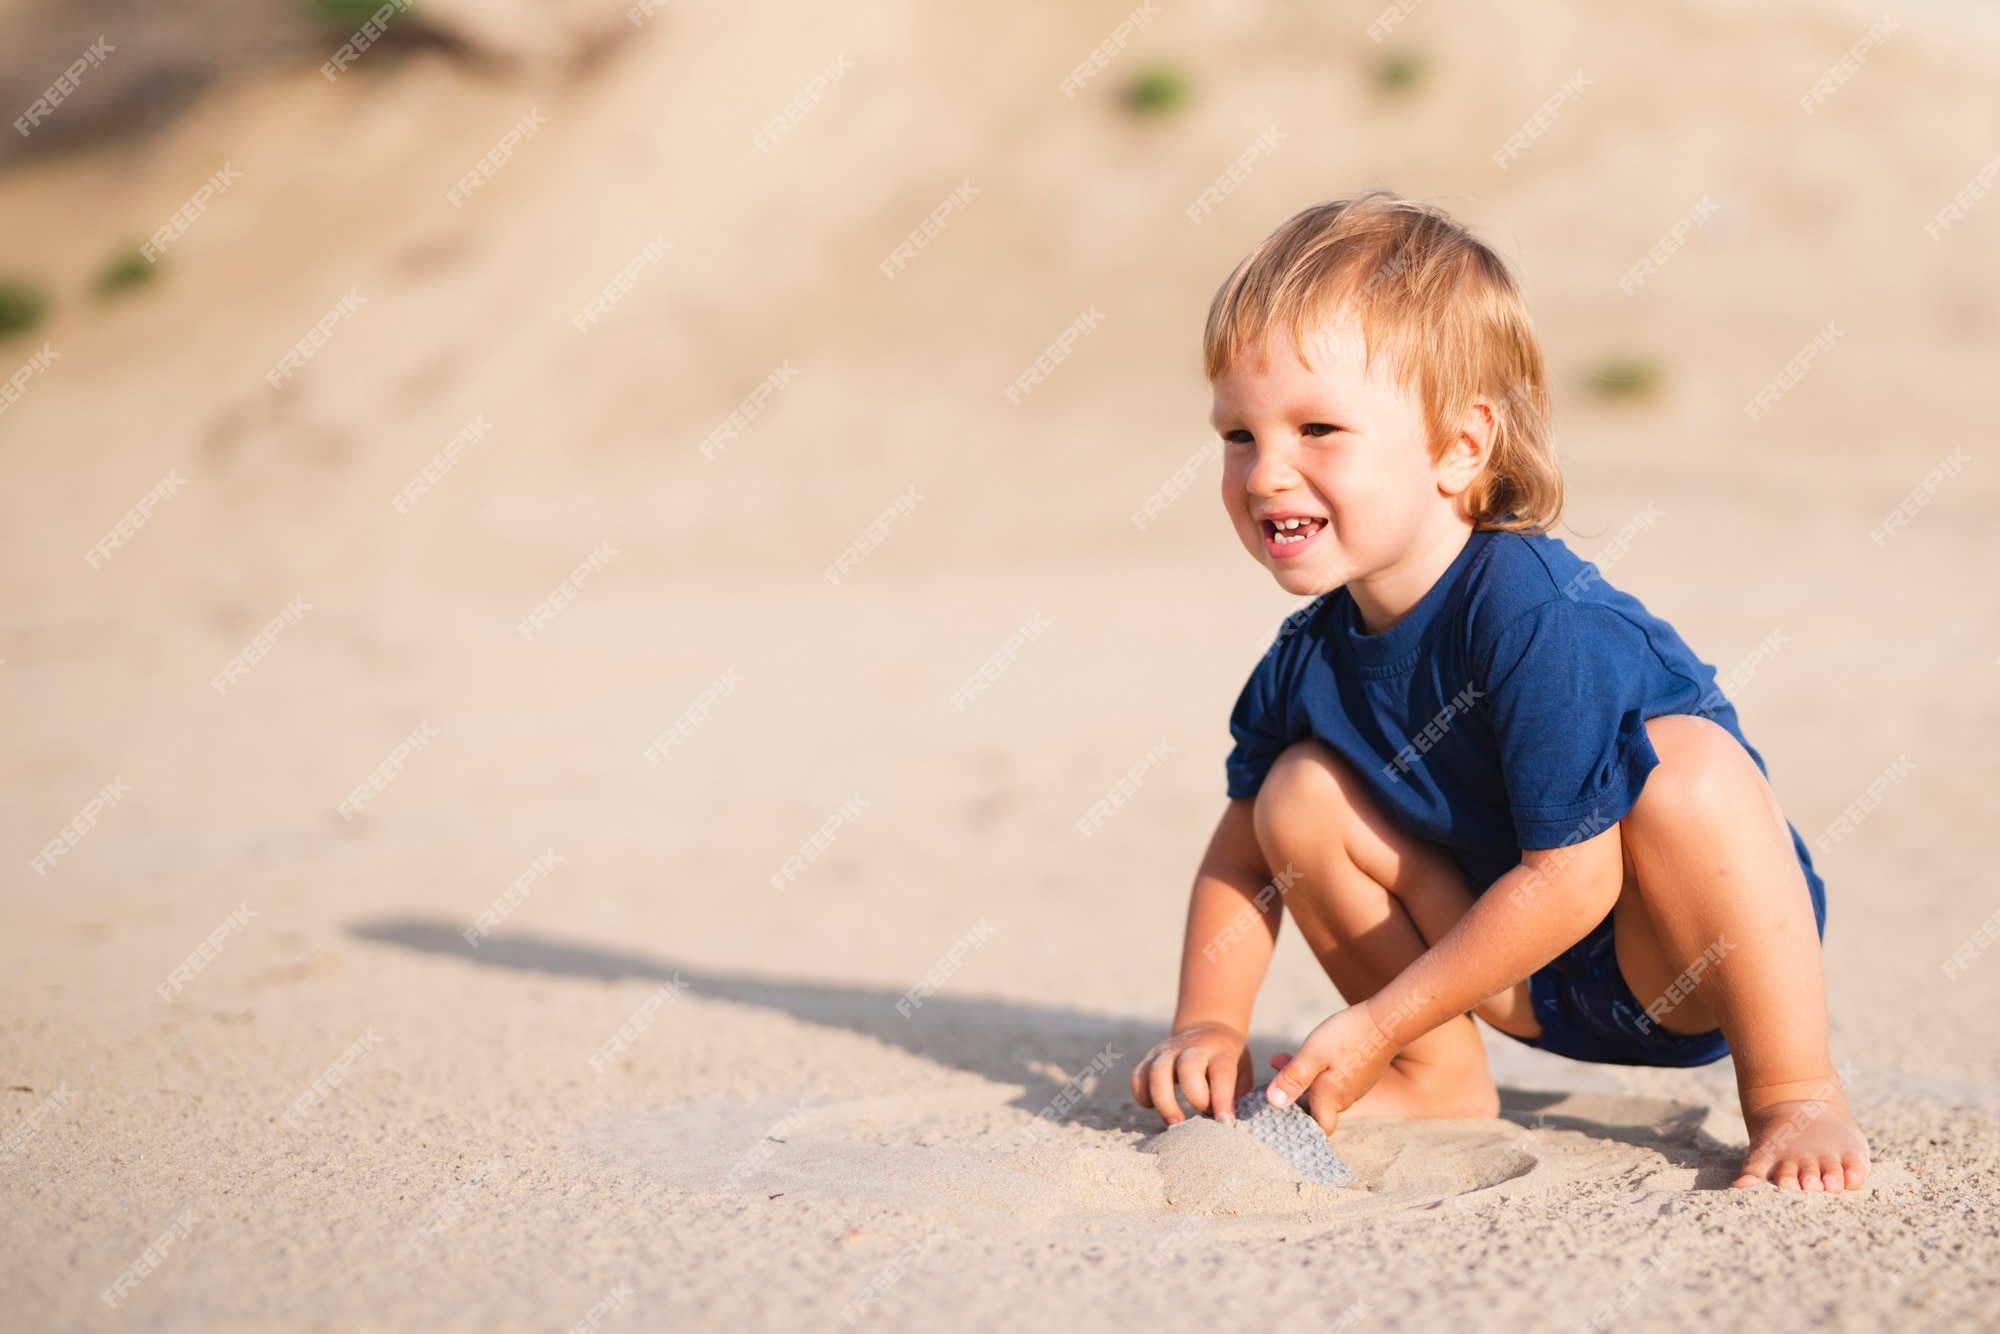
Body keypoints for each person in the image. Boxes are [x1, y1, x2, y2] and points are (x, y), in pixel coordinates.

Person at [1129, 193, 1869, 1192]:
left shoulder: (1534, 616)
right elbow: (1238, 855)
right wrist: (1204, 1020)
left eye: (1315, 426)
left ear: (1458, 446)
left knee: (1687, 769)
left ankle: (1794, 1089)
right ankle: (1436, 1077)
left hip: (1679, 955)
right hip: (1508, 970)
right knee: (1291, 794)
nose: (1265, 474)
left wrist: (1378, 1015)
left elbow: (1575, 878)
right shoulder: (1307, 657)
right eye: (1236, 434)